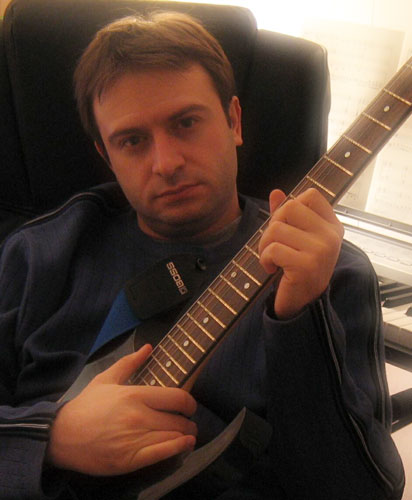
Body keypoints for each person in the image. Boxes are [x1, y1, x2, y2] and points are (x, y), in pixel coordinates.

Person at [0, 10, 405, 500]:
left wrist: (301, 319)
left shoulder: (329, 270)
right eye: (132, 141)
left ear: (233, 120)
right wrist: (52, 439)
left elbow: (359, 490)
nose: (167, 163)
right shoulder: (41, 254)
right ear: (106, 155)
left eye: (186, 123)